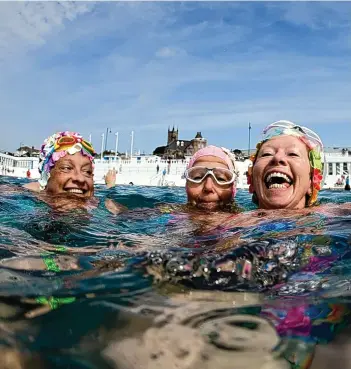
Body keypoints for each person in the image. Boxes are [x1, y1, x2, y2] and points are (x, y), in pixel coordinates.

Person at [247, 120, 324, 210]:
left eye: (292, 154)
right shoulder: (231, 221)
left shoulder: (334, 216)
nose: (277, 158)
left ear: (311, 182)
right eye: (267, 154)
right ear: (252, 181)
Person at [184, 145, 238, 211]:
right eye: (197, 178)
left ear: (233, 188)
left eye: (220, 179)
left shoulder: (250, 219)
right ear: (186, 185)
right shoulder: (169, 213)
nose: (208, 187)